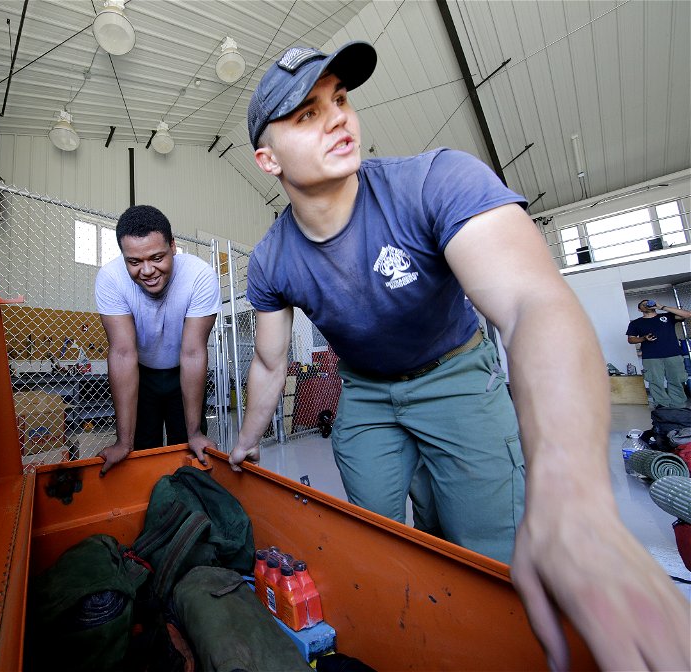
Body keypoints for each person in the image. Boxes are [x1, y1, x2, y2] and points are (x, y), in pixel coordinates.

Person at [229, 42, 690, 670]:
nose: (339, 117)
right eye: (307, 114)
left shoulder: (433, 181)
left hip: (456, 374)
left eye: (340, 99)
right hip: (364, 391)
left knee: (491, 545)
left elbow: (533, 304)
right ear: (266, 159)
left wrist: (574, 492)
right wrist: (248, 440)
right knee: (378, 538)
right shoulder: (272, 258)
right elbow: (268, 362)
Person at [94, 205, 220, 475]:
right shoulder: (110, 278)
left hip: (182, 372)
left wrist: (195, 432)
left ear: (173, 246)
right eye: (135, 262)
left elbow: (194, 353)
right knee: (140, 454)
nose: (148, 270)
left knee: (187, 452)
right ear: (123, 256)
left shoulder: (200, 277)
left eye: (157, 257)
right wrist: (122, 442)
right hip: (141, 375)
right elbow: (123, 353)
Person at [626, 299, 691, 408]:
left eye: (649, 303)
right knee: (655, 382)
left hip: (673, 354)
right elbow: (631, 339)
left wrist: (661, 307)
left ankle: (678, 406)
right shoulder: (635, 323)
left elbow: (687, 314)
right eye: (643, 304)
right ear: (639, 309)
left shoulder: (668, 316)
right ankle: (662, 406)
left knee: (676, 380)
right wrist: (644, 338)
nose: (647, 305)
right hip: (651, 357)